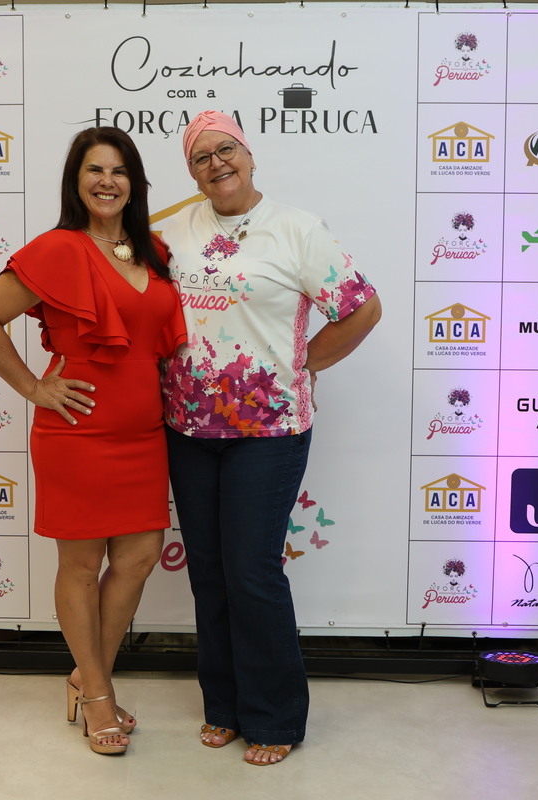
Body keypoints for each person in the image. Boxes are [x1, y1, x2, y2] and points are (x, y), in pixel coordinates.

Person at [160, 111, 381, 765]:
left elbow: (362, 308)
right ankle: (224, 706)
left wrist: (303, 364)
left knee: (251, 571)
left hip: (269, 429)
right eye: (201, 157)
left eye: (226, 149)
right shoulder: (174, 231)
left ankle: (274, 716)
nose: (216, 164)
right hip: (187, 428)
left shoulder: (297, 229)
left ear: (250, 155)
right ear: (192, 173)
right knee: (209, 572)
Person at [0, 127, 186, 756]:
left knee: (139, 558)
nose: (107, 181)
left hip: (145, 434)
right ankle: (98, 696)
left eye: (119, 171)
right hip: (78, 432)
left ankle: (86, 678)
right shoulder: (59, 249)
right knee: (82, 568)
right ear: (76, 181)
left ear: (135, 184)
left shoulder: (155, 253)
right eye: (95, 170)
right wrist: (34, 387)